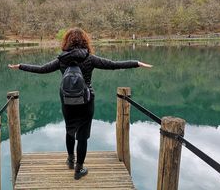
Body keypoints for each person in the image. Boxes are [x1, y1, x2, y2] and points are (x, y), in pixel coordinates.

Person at [8, 28, 152, 180]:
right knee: (82, 136)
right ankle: (79, 169)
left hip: (67, 101)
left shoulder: (61, 59)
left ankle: (70, 160)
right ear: (85, 41)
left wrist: (21, 66)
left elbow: (41, 69)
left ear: (67, 41)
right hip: (86, 100)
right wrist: (136, 63)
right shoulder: (90, 58)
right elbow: (114, 64)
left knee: (69, 130)